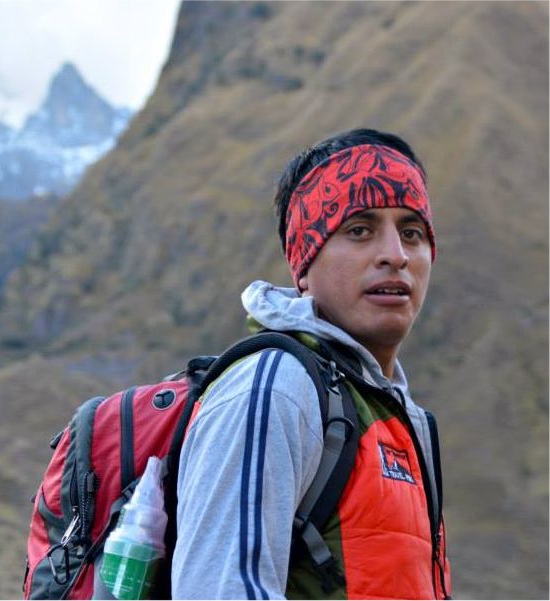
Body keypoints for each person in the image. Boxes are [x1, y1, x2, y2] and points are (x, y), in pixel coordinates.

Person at [171, 128, 451, 599]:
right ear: (304, 264)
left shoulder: (400, 416)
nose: (395, 255)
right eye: (359, 230)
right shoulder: (276, 388)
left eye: (412, 233)